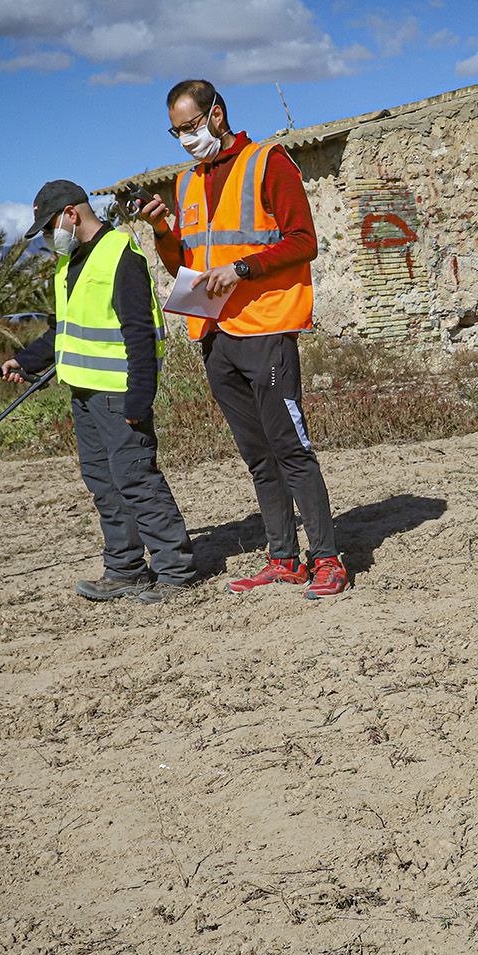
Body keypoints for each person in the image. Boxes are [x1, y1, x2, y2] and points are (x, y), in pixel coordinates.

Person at [135, 80, 346, 600]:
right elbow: (183, 263)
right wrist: (162, 232)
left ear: (216, 113)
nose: (185, 139)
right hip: (214, 335)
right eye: (175, 131)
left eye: (190, 127)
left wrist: (244, 268)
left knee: (291, 448)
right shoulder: (186, 183)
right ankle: (283, 559)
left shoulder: (268, 162)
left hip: (267, 329)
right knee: (258, 455)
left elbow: (305, 242)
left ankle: (327, 560)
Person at [4, 180, 198, 602]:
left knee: (136, 480)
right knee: (104, 485)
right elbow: (65, 330)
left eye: (51, 223)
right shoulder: (69, 262)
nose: (50, 235)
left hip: (119, 394)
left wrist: (139, 397)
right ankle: (124, 569)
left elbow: (140, 332)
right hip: (83, 394)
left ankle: (176, 571)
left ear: (72, 213)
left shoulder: (120, 254)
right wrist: (26, 359)